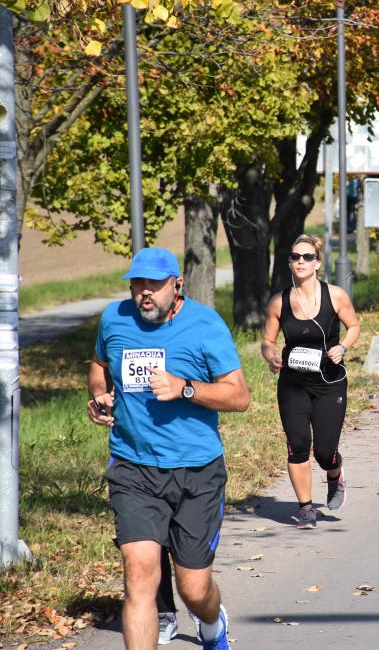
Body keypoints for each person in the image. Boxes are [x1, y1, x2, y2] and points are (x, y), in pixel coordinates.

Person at [88, 247, 250, 650]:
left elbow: (239, 397)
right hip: (133, 467)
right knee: (139, 576)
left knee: (194, 589)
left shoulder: (205, 325)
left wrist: (186, 388)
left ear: (176, 285)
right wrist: (99, 396)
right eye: (137, 284)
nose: (145, 293)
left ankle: (212, 624)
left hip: (197, 471)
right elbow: (98, 364)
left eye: (154, 285)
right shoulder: (115, 318)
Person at [261, 235, 361, 528]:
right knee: (298, 445)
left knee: (324, 451)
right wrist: (270, 356)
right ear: (290, 262)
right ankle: (305, 507)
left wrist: (343, 347)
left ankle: (334, 473)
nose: (300, 262)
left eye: (306, 257)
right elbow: (268, 340)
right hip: (293, 383)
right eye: (295, 257)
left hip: (329, 383)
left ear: (317, 262)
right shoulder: (279, 301)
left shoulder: (336, 296)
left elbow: (353, 325)